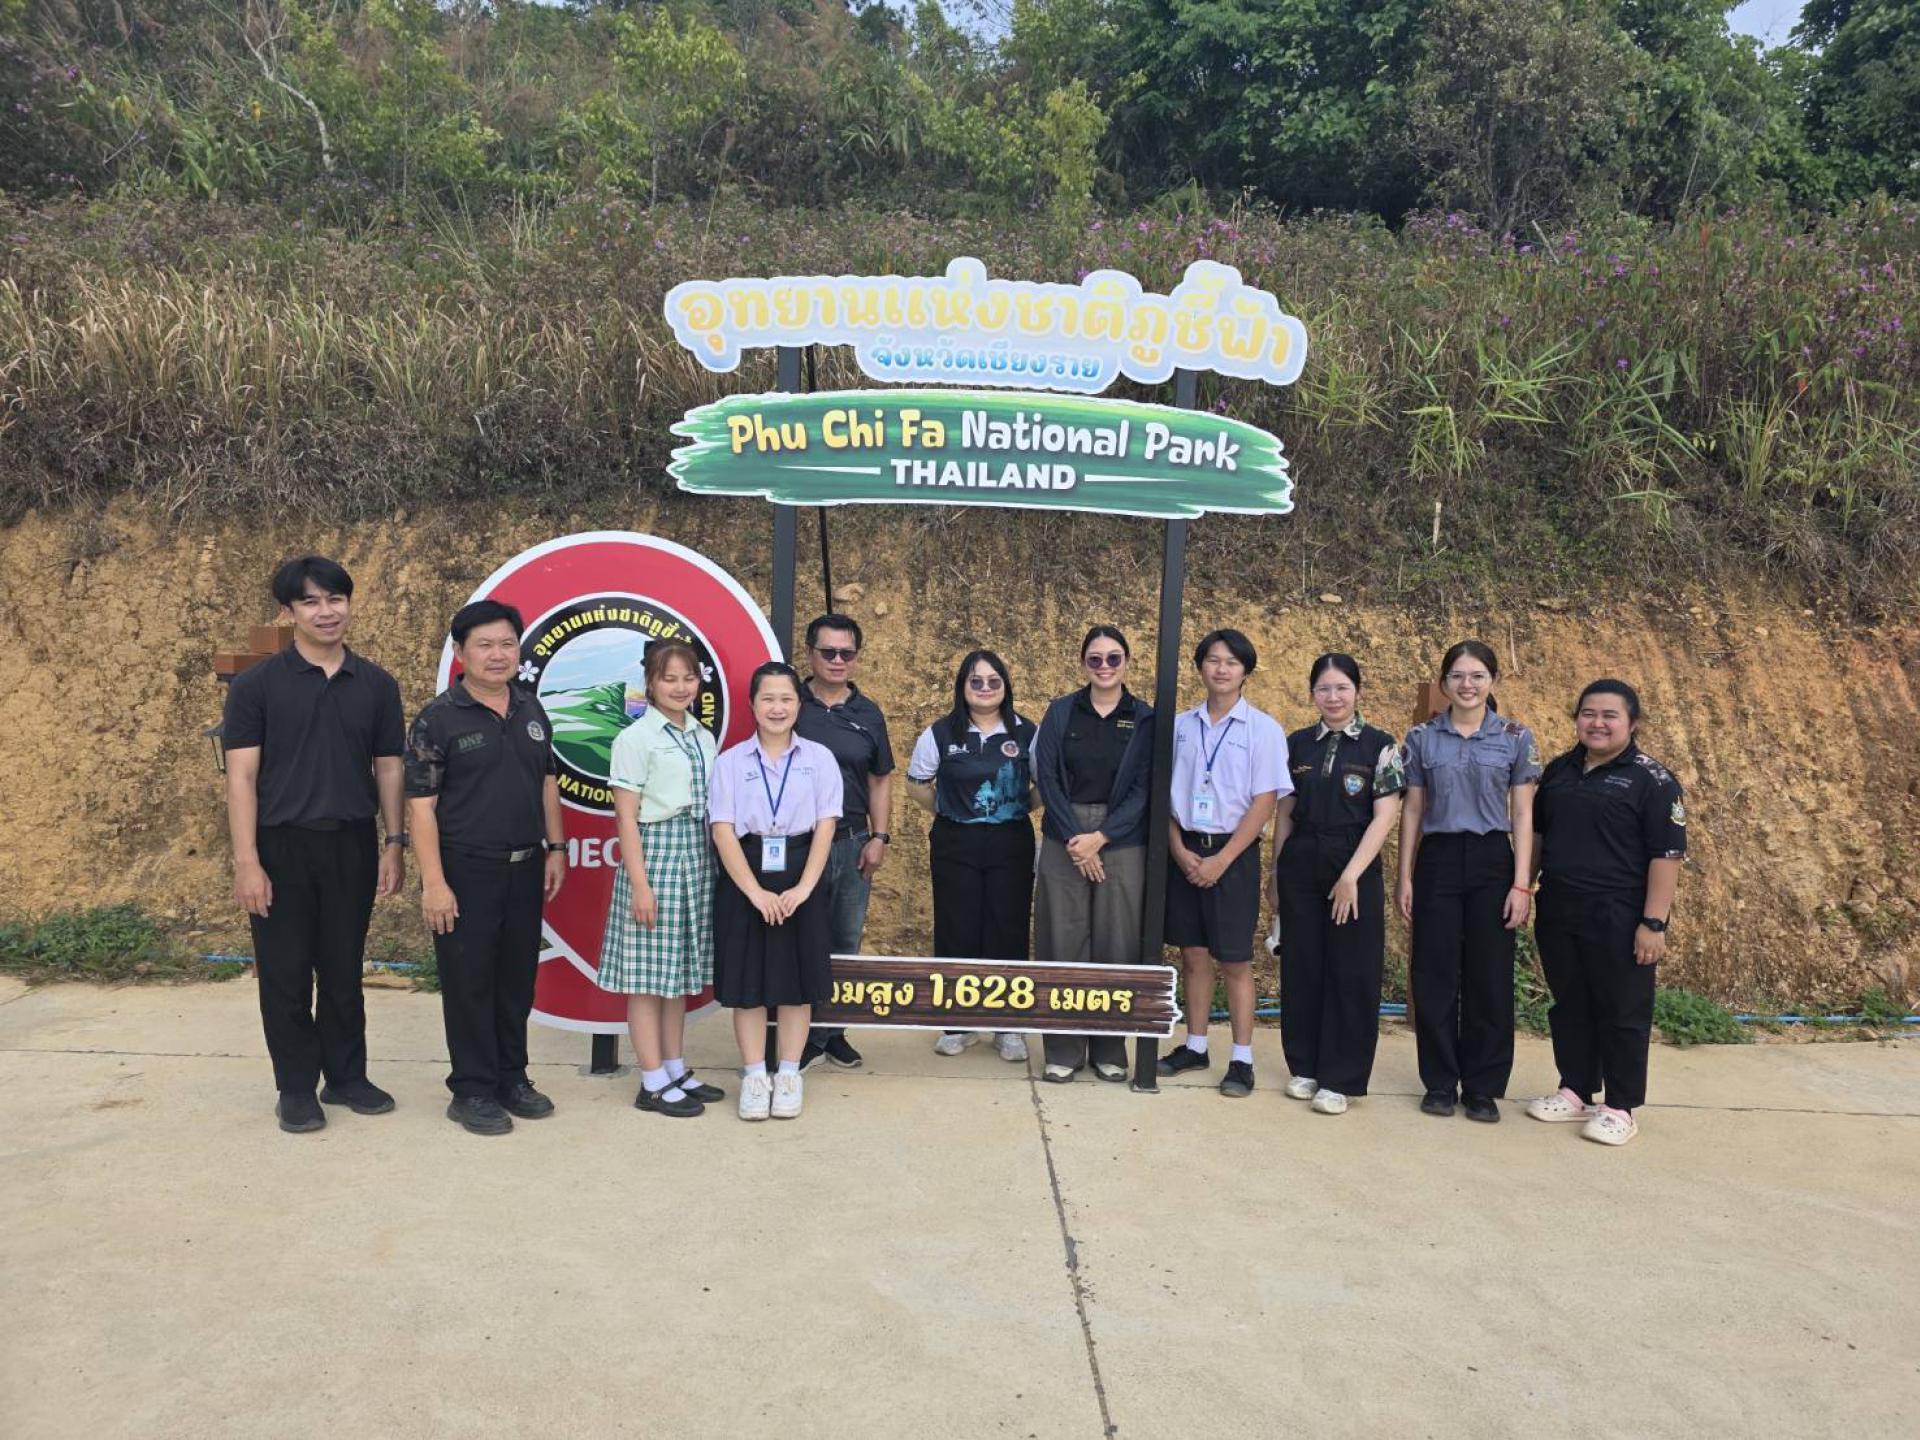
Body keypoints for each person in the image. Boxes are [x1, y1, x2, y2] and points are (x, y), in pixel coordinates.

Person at [223, 555, 406, 1134]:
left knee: (344, 968)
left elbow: (389, 768)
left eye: (335, 599)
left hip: (351, 844)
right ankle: (296, 1087)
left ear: (349, 604)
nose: (326, 612)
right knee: (285, 973)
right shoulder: (256, 687)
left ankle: (347, 1077)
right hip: (280, 847)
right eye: (311, 601)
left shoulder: (376, 685)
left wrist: (394, 842)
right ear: (288, 612)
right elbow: (241, 777)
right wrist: (247, 862)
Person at [406, 600, 568, 1136]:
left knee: (516, 980)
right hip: (465, 869)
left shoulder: (530, 707)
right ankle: (471, 1089)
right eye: (484, 645)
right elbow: (421, 807)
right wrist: (434, 883)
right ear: (460, 652)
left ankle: (511, 1078)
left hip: (525, 867)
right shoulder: (438, 719)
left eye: (506, 644)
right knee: (469, 981)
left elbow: (547, 781)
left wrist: (557, 847)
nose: (497, 655)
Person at [1525, 680, 1687, 1147]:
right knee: (1570, 1003)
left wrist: (1653, 923)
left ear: (1632, 723)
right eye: (1588, 713)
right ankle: (1576, 1089)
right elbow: (1538, 837)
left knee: (1623, 1009)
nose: (1597, 723)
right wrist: (1524, 886)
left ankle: (1620, 1106)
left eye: (1609, 715)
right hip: (1560, 905)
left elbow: (1667, 855)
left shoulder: (1653, 781)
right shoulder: (1560, 771)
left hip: (1620, 912)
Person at [1397, 639, 1542, 1124]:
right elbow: (1413, 810)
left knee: (1490, 975)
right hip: (1438, 859)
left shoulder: (1515, 737)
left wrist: (1521, 885)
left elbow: (1522, 814)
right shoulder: (1421, 738)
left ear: (1492, 681)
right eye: (1457, 676)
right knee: (1433, 973)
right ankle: (1439, 1082)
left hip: (1492, 860)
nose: (1467, 685)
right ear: (1444, 683)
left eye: (1477, 676)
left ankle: (1482, 1087)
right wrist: (1405, 876)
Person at [1270, 654, 1404, 1115]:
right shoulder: (1297, 745)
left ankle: (1341, 1078)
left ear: (1357, 691)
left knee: (1352, 971)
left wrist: (1351, 876)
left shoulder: (1380, 746)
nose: (1333, 697)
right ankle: (1305, 1066)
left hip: (1354, 860)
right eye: (1324, 689)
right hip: (1302, 859)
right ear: (1312, 693)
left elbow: (1385, 816)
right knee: (1303, 965)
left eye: (1342, 687)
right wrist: (1277, 873)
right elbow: (1285, 813)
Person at [709, 662, 843, 1121]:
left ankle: (788, 1073)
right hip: (745, 875)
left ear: (799, 705)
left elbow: (827, 825)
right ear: (752, 704)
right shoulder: (730, 763)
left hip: (801, 870)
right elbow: (722, 830)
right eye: (767, 698)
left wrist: (804, 888)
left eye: (786, 698)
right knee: (747, 982)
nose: (777, 708)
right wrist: (754, 893)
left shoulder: (819, 759)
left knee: (797, 983)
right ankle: (753, 1075)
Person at [1158, 629, 1290, 1098]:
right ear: (1200, 667)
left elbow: (1265, 801)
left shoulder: (1263, 730)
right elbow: (1162, 793)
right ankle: (1195, 1046)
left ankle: (1241, 1058)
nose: (1221, 669)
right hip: (1185, 851)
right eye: (1213, 660)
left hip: (1233, 854)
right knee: (1192, 954)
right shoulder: (1178, 726)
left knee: (1234, 959)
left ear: (1245, 671)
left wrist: (1223, 859)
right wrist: (1178, 850)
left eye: (1231, 662)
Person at [596, 640, 724, 1119]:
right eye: (669, 678)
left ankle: (675, 1068)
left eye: (688, 677)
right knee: (648, 979)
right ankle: (651, 1080)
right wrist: (640, 884)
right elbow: (626, 819)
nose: (680, 687)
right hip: (655, 857)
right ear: (650, 683)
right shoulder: (635, 739)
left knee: (678, 976)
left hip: (696, 856)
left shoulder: (701, 734)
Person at [1032, 626, 1155, 1083]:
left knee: (1116, 942)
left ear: (1127, 662)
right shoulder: (1061, 711)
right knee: (1062, 940)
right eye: (1095, 659)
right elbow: (1047, 776)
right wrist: (1076, 840)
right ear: (1083, 662)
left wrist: (1101, 838)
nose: (1105, 667)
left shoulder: (1144, 717)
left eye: (1113, 658)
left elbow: (1145, 787)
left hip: (1121, 839)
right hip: (1064, 836)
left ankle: (1110, 1046)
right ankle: (1063, 1049)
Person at [906, 650, 1037, 1064]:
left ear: (1005, 686)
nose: (984, 688)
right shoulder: (941, 733)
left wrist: (1012, 807)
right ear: (962, 686)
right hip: (955, 840)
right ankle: (957, 1023)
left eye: (993, 681)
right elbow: (917, 784)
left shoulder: (1026, 732)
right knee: (956, 927)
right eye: (975, 681)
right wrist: (953, 811)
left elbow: (1042, 787)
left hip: (1010, 840)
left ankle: (1008, 1026)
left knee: (1008, 927)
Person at [794, 613, 895, 1072]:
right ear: (809, 653)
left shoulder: (868, 713)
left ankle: (831, 1033)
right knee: (801, 939)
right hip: (798, 844)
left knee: (844, 942)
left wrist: (879, 837)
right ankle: (798, 1035)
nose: (838, 660)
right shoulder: (790, 704)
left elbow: (880, 779)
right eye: (828, 652)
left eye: (847, 653)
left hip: (851, 843)